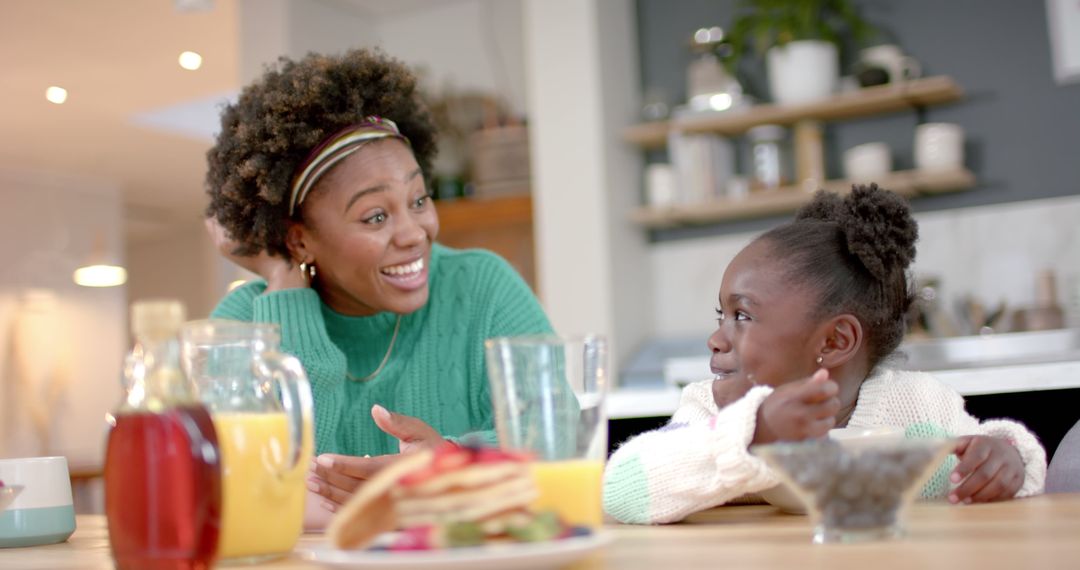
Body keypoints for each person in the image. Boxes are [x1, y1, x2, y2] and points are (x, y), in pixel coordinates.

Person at [203, 48, 552, 519]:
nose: (415, 233)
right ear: (300, 239)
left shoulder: (482, 286)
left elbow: (557, 435)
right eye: (376, 216)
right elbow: (251, 491)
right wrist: (282, 276)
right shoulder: (240, 328)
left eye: (419, 199)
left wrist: (448, 464)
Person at [602, 184, 1046, 525]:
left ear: (834, 342)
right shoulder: (713, 410)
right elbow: (622, 488)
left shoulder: (919, 407)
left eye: (742, 316)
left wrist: (1006, 458)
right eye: (722, 315)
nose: (715, 340)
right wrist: (754, 433)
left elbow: (988, 454)